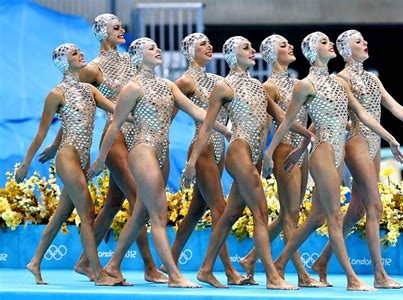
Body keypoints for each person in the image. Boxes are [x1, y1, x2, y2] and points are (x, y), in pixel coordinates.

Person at [302, 29, 403, 288]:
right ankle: (380, 275)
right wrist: (305, 142)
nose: (365, 43)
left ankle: (322, 261)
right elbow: (324, 116)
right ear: (346, 50)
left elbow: (395, 107)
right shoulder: (340, 79)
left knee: (357, 210)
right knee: (375, 207)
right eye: (358, 41)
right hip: (356, 142)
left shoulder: (371, 78)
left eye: (364, 40)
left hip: (375, 143)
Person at [265, 31, 403, 291]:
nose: (330, 45)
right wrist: (269, 154)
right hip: (323, 151)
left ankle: (279, 262)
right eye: (324, 43)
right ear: (311, 52)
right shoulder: (305, 85)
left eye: (330, 42)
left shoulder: (338, 84)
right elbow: (289, 122)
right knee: (335, 216)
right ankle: (353, 279)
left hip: (338, 149)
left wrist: (390, 138)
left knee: (317, 217)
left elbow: (363, 115)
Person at [87, 37, 231, 288]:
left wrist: (227, 131)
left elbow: (198, 112)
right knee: (159, 215)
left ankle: (112, 265)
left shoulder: (167, 85)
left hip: (161, 151)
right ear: (138, 55)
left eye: (157, 47)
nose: (158, 50)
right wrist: (100, 159)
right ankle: (174, 276)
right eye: (151, 48)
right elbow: (115, 126)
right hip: (143, 150)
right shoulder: (131, 88)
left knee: (141, 213)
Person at [39, 14, 167, 283]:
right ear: (101, 33)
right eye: (116, 27)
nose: (122, 30)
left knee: (113, 204)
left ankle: (86, 261)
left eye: (122, 26)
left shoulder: (131, 61)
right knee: (138, 197)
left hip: (138, 135)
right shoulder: (92, 69)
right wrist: (54, 143)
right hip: (115, 135)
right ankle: (146, 266)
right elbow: (78, 108)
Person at [182, 36, 314, 289]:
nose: (252, 51)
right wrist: (191, 162)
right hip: (239, 151)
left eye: (252, 47)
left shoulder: (256, 85)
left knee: (231, 214)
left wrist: (307, 135)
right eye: (246, 48)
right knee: (260, 212)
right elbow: (207, 128)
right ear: (232, 55)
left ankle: (206, 269)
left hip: (252, 154)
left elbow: (282, 117)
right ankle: (273, 277)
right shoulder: (223, 87)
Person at [15, 43, 122, 286]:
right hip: (68, 156)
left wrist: (145, 113)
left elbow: (117, 110)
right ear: (64, 62)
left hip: (83, 157)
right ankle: (97, 272)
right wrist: (26, 164)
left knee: (62, 213)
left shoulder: (89, 90)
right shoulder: (56, 94)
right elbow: (41, 133)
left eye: (80, 51)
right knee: (87, 210)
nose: (81, 54)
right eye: (75, 53)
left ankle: (34, 261)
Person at [238, 34, 322, 288]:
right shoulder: (268, 87)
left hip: (302, 150)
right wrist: (264, 155)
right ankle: (300, 273)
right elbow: (265, 126)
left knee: (290, 212)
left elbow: (312, 116)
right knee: (291, 215)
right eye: (283, 45)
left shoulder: (298, 83)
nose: (291, 47)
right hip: (284, 149)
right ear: (272, 54)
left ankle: (251, 259)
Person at [164, 33, 247, 285]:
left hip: (220, 146)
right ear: (189, 52)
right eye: (203, 45)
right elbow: (166, 115)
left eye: (210, 44)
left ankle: (170, 261)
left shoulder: (218, 80)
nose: (209, 47)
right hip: (203, 148)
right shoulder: (185, 81)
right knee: (220, 210)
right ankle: (222, 270)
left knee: (195, 211)